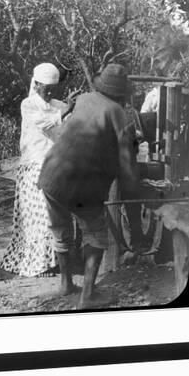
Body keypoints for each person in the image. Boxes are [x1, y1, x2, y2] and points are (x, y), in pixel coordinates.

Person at [38, 64, 139, 308]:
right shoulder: (121, 115)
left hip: (52, 174)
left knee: (60, 228)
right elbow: (128, 167)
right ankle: (88, 296)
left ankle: (66, 284)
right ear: (122, 93)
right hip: (82, 184)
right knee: (96, 233)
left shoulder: (83, 99)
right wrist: (135, 189)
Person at [0, 63, 77, 282]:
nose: (50, 92)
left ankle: (53, 261)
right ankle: (38, 262)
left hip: (55, 165)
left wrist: (72, 107)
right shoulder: (29, 104)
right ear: (37, 84)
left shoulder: (58, 104)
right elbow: (44, 124)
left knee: (54, 216)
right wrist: (67, 110)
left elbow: (69, 121)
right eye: (46, 88)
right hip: (34, 166)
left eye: (53, 88)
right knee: (38, 215)